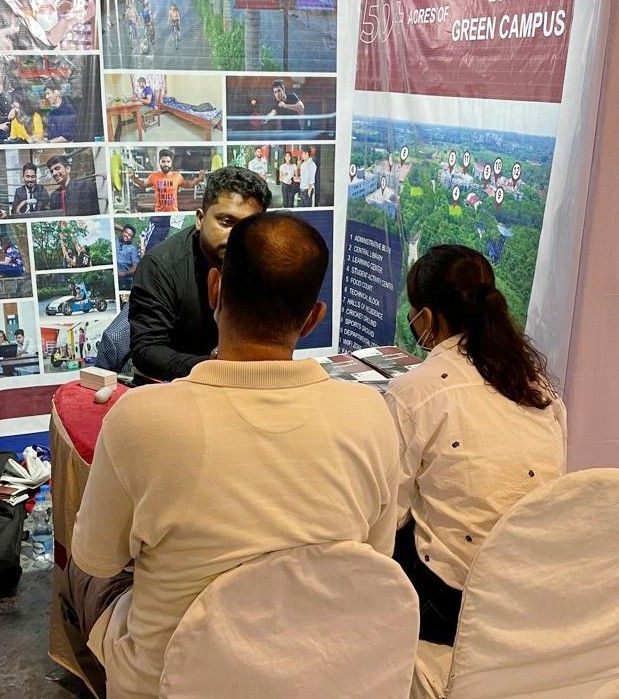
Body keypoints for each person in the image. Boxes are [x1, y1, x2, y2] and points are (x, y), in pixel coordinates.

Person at [69, 212, 401, 698]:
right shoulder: (371, 414)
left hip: (167, 684)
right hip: (315, 671)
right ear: (313, 318)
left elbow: (98, 559)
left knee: (86, 572)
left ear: (214, 289)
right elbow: (375, 557)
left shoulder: (141, 419)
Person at [384, 244, 567, 646]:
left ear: (427, 318)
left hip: (454, 602)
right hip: (534, 586)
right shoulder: (538, 386)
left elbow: (390, 513)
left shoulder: (415, 391)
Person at [129, 166, 271, 383]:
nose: (236, 237)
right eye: (226, 222)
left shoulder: (262, 261)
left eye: (248, 227)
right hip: (175, 387)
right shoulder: (160, 266)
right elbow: (147, 351)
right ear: (200, 219)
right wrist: (213, 365)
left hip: (243, 385)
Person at [127, 149, 205, 213]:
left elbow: (189, 185)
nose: (166, 164)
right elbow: (143, 184)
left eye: (168, 162)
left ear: (171, 163)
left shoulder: (177, 176)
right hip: (158, 213)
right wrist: (133, 177)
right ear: (159, 162)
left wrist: (199, 179)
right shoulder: (154, 176)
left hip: (173, 212)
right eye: (163, 161)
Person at [116, 224, 140, 291]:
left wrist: (123, 274)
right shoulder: (117, 241)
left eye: (130, 235)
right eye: (126, 232)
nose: (127, 236)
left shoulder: (132, 249)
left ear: (132, 238)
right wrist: (123, 230)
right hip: (115, 278)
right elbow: (112, 225)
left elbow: (135, 268)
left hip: (125, 280)